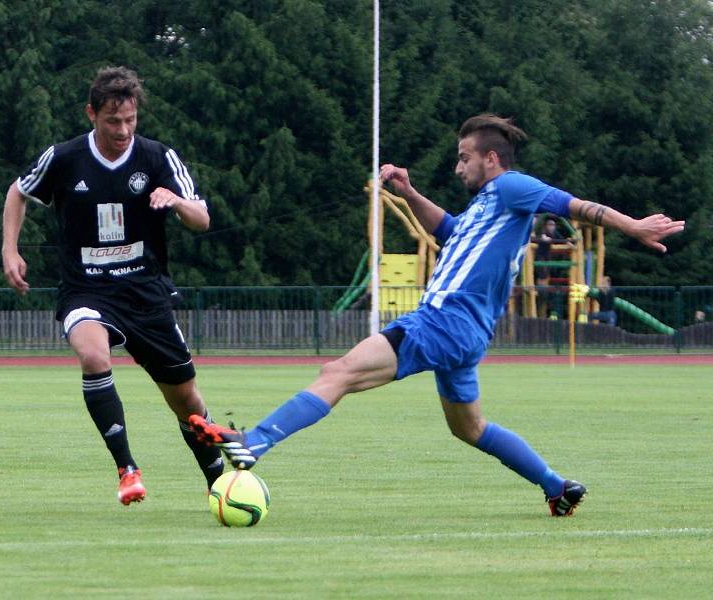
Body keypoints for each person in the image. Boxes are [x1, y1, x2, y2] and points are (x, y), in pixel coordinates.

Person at [190, 114, 684, 517]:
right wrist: (407, 191)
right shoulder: (485, 207)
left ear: (492, 158)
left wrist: (634, 226)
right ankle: (556, 486)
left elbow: (576, 206)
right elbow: (448, 230)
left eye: (464, 158)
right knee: (469, 428)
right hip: (464, 333)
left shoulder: (513, 187)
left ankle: (254, 442)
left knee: (337, 372)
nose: (458, 167)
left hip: (443, 321)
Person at [2, 66, 223, 505]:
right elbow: (18, 192)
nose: (123, 130)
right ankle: (127, 468)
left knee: (186, 401)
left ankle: (220, 480)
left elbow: (202, 219)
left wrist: (177, 201)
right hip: (86, 289)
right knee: (91, 353)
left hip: (146, 292)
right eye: (112, 121)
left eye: (130, 120)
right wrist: (10, 250)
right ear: (92, 114)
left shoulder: (159, 157)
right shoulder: (64, 158)